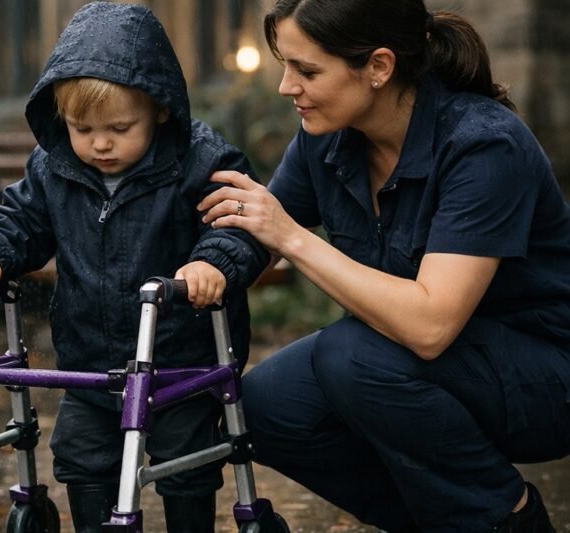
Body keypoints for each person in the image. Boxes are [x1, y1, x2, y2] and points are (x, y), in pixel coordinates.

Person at [197, 1, 570, 531]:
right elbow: (256, 234)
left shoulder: (484, 145)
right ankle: (443, 520)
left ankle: (507, 519)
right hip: (420, 363)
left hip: (544, 376)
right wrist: (199, 267)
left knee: (351, 355)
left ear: (377, 67)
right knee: (262, 408)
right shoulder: (325, 139)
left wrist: (293, 238)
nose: (286, 87)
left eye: (307, 70)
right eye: (285, 65)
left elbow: (430, 326)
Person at [0, 2, 269, 532]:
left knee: (185, 460)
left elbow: (237, 225)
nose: (99, 143)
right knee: (82, 457)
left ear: (160, 109)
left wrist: (209, 264)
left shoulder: (202, 161)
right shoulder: (55, 166)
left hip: (179, 359)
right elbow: (20, 219)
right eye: (82, 128)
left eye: (120, 128)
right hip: (92, 361)